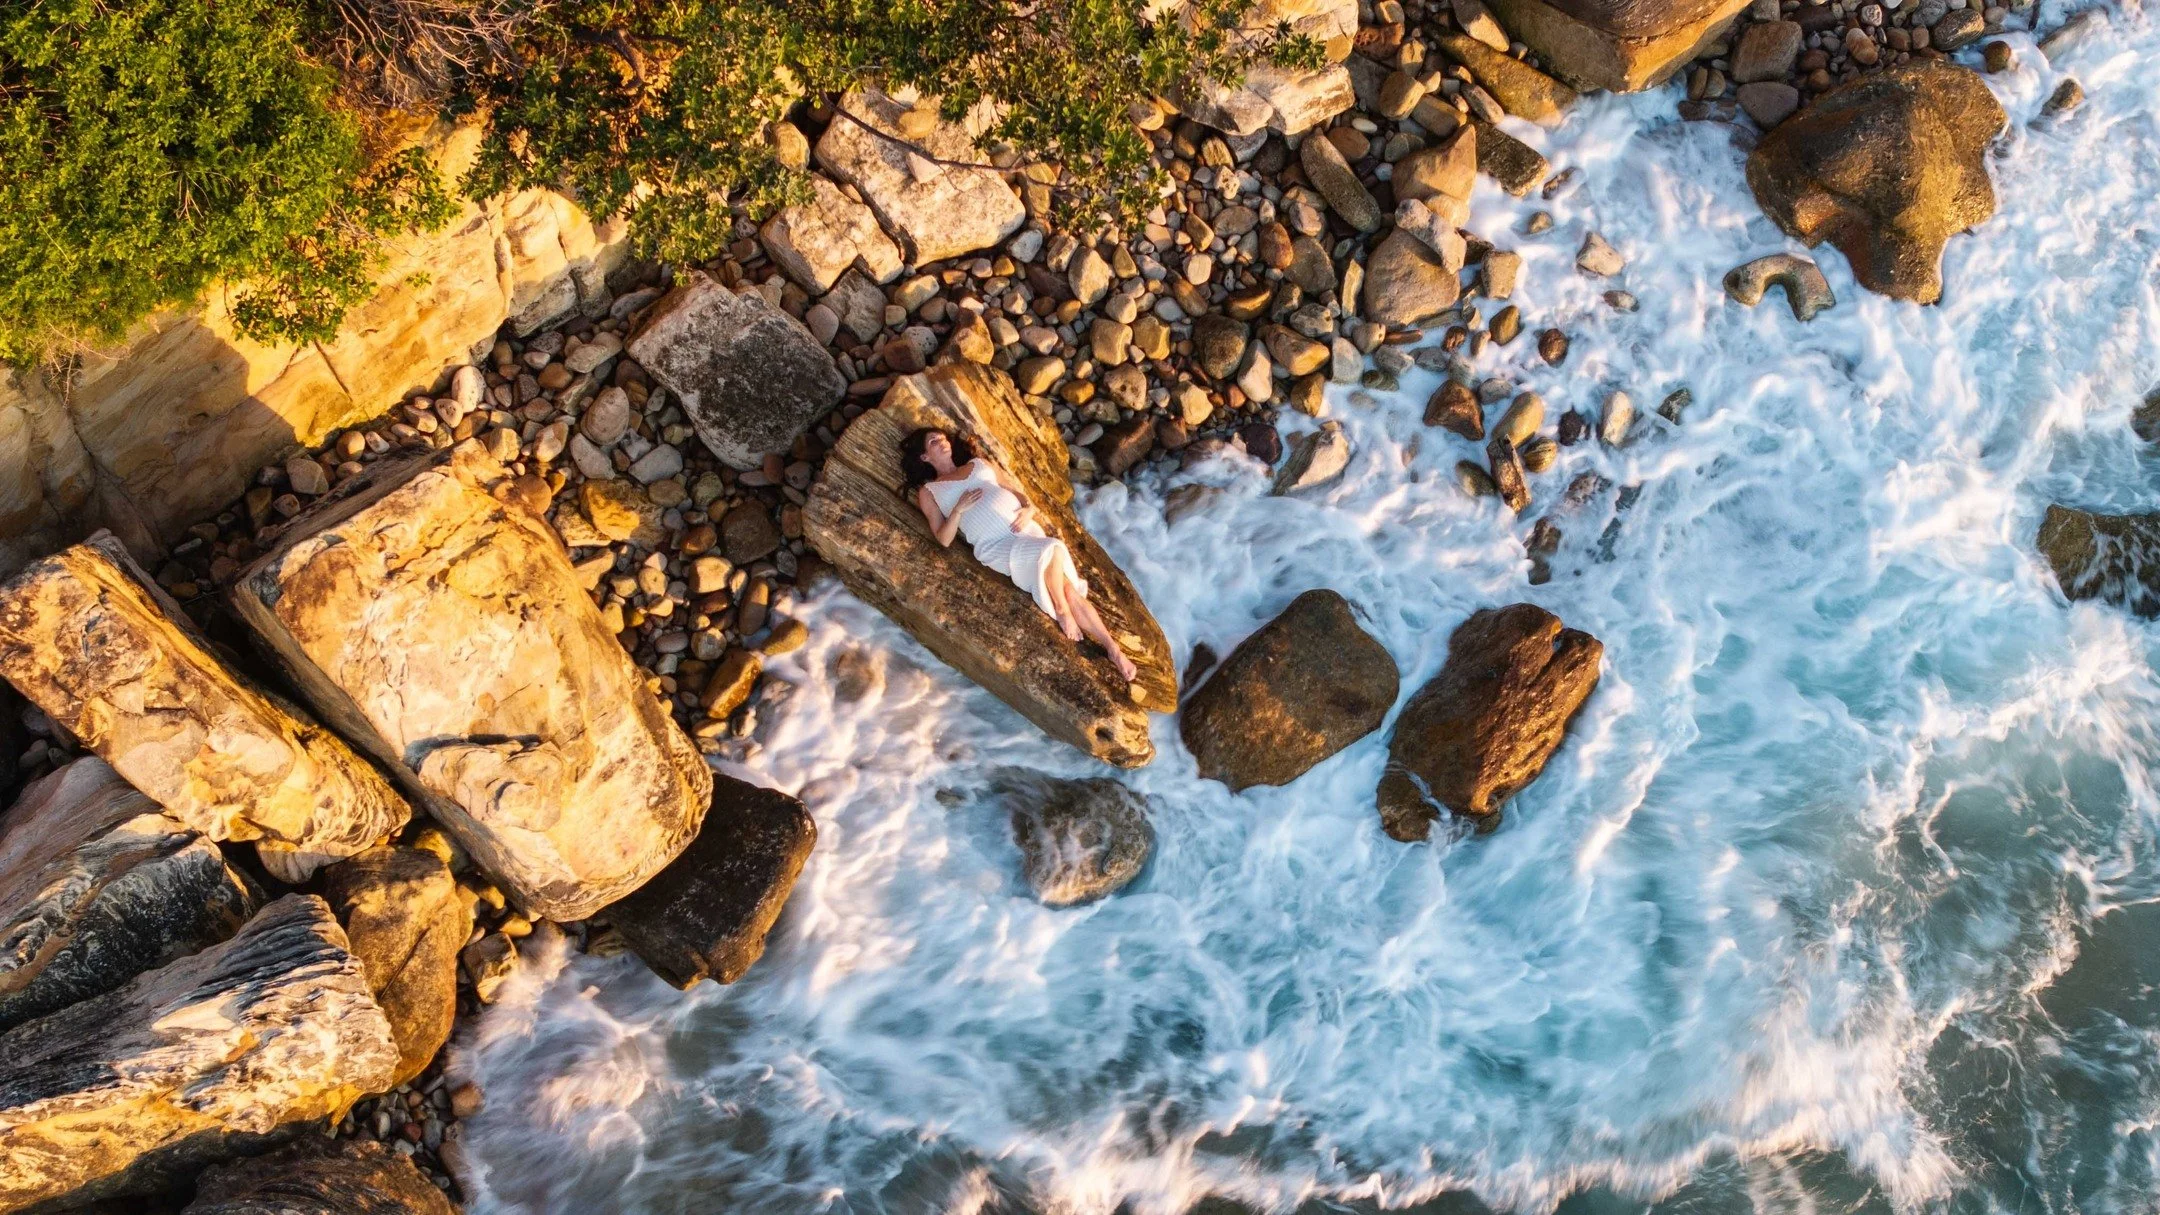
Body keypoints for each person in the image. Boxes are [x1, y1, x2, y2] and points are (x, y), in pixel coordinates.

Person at [901, 427, 1139, 683]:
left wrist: (1028, 510)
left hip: (1025, 529)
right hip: (997, 545)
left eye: (943, 437)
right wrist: (958, 510)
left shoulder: (979, 463)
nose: (943, 442)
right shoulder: (930, 492)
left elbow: (1016, 493)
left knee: (1069, 588)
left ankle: (1113, 649)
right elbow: (944, 539)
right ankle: (1061, 610)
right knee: (1052, 549)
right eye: (934, 442)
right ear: (924, 457)